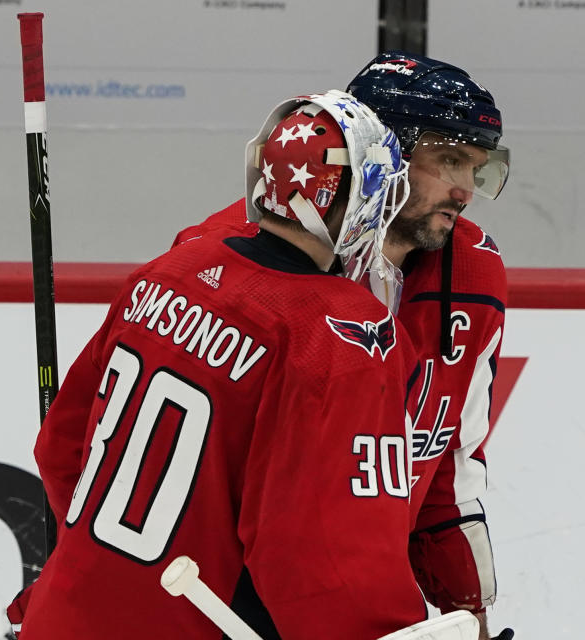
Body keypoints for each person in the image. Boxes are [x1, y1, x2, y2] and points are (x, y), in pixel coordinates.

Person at [12, 90, 454, 639]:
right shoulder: (342, 331)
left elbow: (61, 451)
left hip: (64, 615)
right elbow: (322, 551)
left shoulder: (168, 271)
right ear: (359, 194)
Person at [172, 52, 512, 640]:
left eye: (478, 168)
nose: (465, 190)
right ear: (379, 151)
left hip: (358, 605)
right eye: (450, 159)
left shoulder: (475, 274)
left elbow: (451, 469)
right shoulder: (230, 259)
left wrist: (470, 615)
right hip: (219, 601)